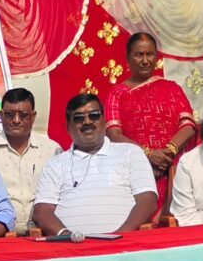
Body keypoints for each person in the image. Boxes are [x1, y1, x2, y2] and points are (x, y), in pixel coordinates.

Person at [31, 94, 158, 236]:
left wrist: (120, 236)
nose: (87, 121)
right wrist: (67, 236)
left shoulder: (130, 152)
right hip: (71, 249)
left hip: (124, 245)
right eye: (79, 118)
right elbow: (42, 210)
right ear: (68, 127)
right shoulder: (55, 163)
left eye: (94, 115)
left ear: (104, 120)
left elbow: (147, 200)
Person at [103, 33, 196, 204]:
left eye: (150, 54)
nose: (145, 60)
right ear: (128, 58)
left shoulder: (172, 88)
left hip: (173, 170)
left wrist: (167, 154)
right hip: (136, 172)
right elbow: (114, 135)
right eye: (139, 55)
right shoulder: (117, 94)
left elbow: (188, 126)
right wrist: (148, 155)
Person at [0, 88, 61, 232]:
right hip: (2, 235)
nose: (16, 121)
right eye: (10, 115)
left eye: (23, 115)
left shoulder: (52, 150)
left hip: (44, 232)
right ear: (1, 115)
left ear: (33, 116)